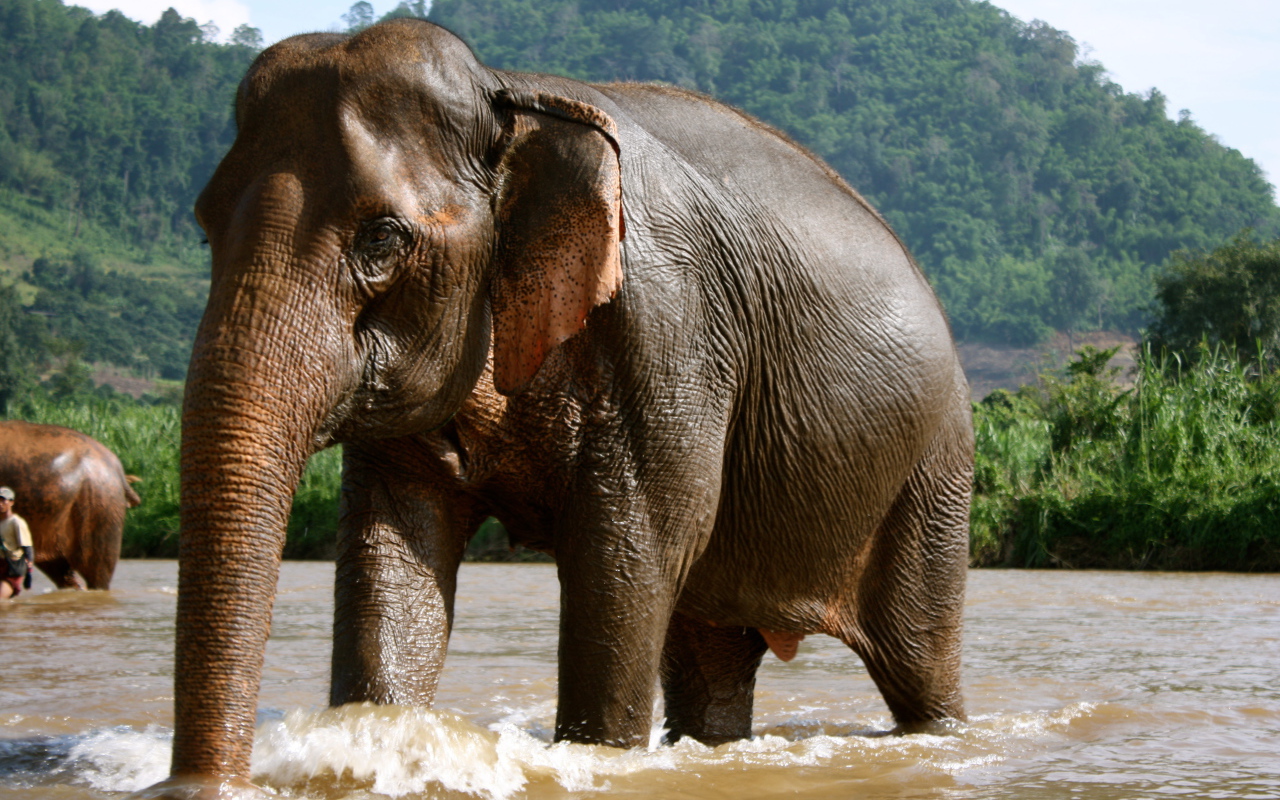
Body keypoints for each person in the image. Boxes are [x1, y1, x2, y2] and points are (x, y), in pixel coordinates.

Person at [1, 486, 34, 600]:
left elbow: (27, 547)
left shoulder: (17, 522)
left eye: (3, 500)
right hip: (1, 564)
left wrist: (29, 571)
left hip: (13, 567)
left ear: (11, 502)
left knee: (1, 598)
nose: (0, 504)